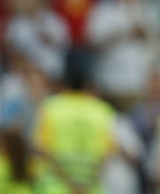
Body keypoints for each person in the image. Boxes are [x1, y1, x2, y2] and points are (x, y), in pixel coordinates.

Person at [31, 57, 119, 194]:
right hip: (91, 188)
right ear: (87, 85)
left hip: (55, 188)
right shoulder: (102, 111)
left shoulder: (50, 108)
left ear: (64, 83)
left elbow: (43, 151)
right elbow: (107, 156)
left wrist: (70, 185)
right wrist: (85, 187)